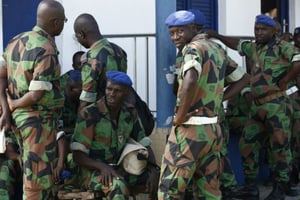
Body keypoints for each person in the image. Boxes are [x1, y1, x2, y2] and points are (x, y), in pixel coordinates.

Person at [158, 10, 249, 200]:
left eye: (179, 31)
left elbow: (190, 80)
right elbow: (243, 78)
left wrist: (180, 116)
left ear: (192, 28)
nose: (175, 37)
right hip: (213, 130)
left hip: (190, 130)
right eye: (172, 32)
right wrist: (218, 98)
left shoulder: (192, 49)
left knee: (170, 190)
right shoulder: (216, 49)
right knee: (209, 190)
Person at [207, 14, 300, 200]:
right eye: (256, 29)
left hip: (276, 105)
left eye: (263, 29)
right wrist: (217, 35)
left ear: (273, 31)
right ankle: (251, 188)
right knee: (247, 145)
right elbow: (236, 44)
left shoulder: (282, 47)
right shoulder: (254, 47)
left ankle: (281, 187)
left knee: (280, 147)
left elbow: (298, 61)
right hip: (257, 107)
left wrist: (286, 79)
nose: (258, 32)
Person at [2, 0, 66, 199]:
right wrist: (14, 104)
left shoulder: (14, 41)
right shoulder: (46, 49)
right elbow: (36, 94)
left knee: (34, 175)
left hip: (20, 123)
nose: (64, 24)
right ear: (55, 22)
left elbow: (1, 75)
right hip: (38, 123)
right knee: (36, 182)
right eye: (63, 20)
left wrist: (6, 109)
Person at [70, 71, 160, 199]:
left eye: (117, 91)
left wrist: (153, 169)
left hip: (121, 168)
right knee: (118, 186)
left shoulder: (129, 114)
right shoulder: (90, 114)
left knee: (161, 180)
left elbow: (144, 143)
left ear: (127, 92)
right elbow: (78, 155)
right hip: (92, 171)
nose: (111, 94)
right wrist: (102, 167)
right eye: (109, 89)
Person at [73, 13, 127, 109]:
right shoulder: (119, 50)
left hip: (100, 115)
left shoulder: (89, 57)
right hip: (120, 111)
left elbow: (87, 97)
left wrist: (80, 119)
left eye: (77, 37)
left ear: (81, 35)